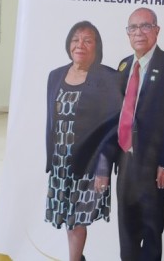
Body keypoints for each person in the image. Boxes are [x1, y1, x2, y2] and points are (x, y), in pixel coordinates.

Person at [45, 21, 123, 261]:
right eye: (75, 39)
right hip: (61, 162)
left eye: (88, 40)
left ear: (97, 47)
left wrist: (103, 168)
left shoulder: (109, 78)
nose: (80, 45)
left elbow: (113, 128)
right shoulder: (56, 75)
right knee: (69, 220)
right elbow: (52, 120)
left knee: (77, 220)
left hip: (90, 162)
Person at [115, 7, 164, 261]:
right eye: (133, 27)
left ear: (157, 30)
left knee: (151, 228)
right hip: (125, 160)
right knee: (126, 228)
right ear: (127, 33)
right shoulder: (124, 65)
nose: (139, 33)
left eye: (145, 26)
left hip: (155, 164)